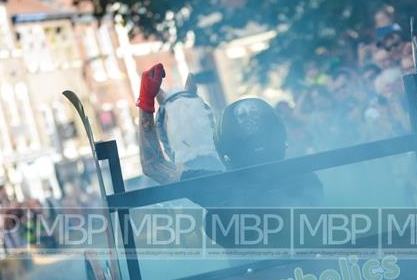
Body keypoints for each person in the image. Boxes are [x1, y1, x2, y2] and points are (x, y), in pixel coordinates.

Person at [137, 62, 323, 217]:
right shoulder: (308, 179)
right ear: (281, 139)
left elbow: (153, 166)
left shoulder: (220, 187)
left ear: (224, 147)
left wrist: (146, 102)